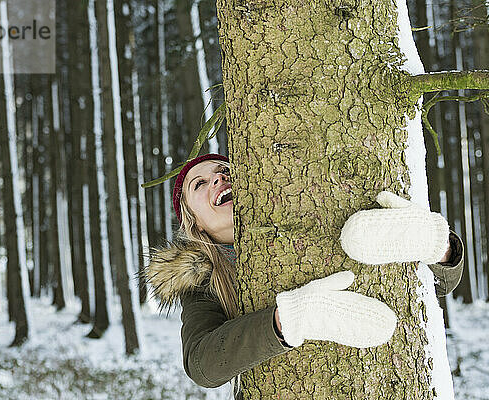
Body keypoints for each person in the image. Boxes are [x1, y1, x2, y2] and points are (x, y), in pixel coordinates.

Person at [144, 153, 464, 399]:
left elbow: (441, 285)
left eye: (224, 170)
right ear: (194, 222)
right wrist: (289, 320)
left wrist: (440, 247)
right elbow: (203, 365)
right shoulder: (200, 282)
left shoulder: (300, 212)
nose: (217, 179)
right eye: (199, 184)